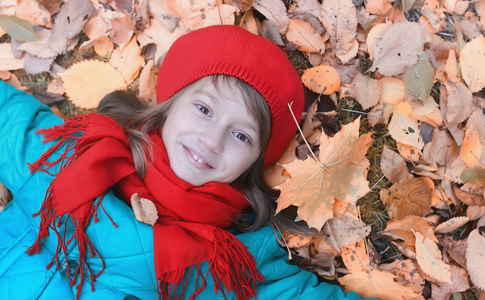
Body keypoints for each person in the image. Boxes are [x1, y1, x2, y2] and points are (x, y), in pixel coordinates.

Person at [0, 25, 364, 300]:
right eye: (204, 109)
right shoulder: (72, 151)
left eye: (241, 136)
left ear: (254, 163)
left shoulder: (230, 263)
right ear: (170, 105)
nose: (212, 139)